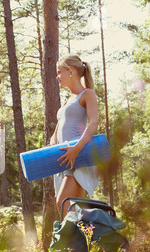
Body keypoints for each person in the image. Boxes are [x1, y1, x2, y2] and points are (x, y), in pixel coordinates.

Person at [50, 54, 99, 217]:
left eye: (59, 72)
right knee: (74, 209)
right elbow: (58, 131)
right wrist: (51, 148)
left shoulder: (87, 94)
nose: (57, 77)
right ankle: (85, 240)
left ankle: (83, 237)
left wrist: (76, 149)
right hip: (64, 160)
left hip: (78, 157)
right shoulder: (67, 101)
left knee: (62, 202)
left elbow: (93, 124)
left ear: (71, 71)